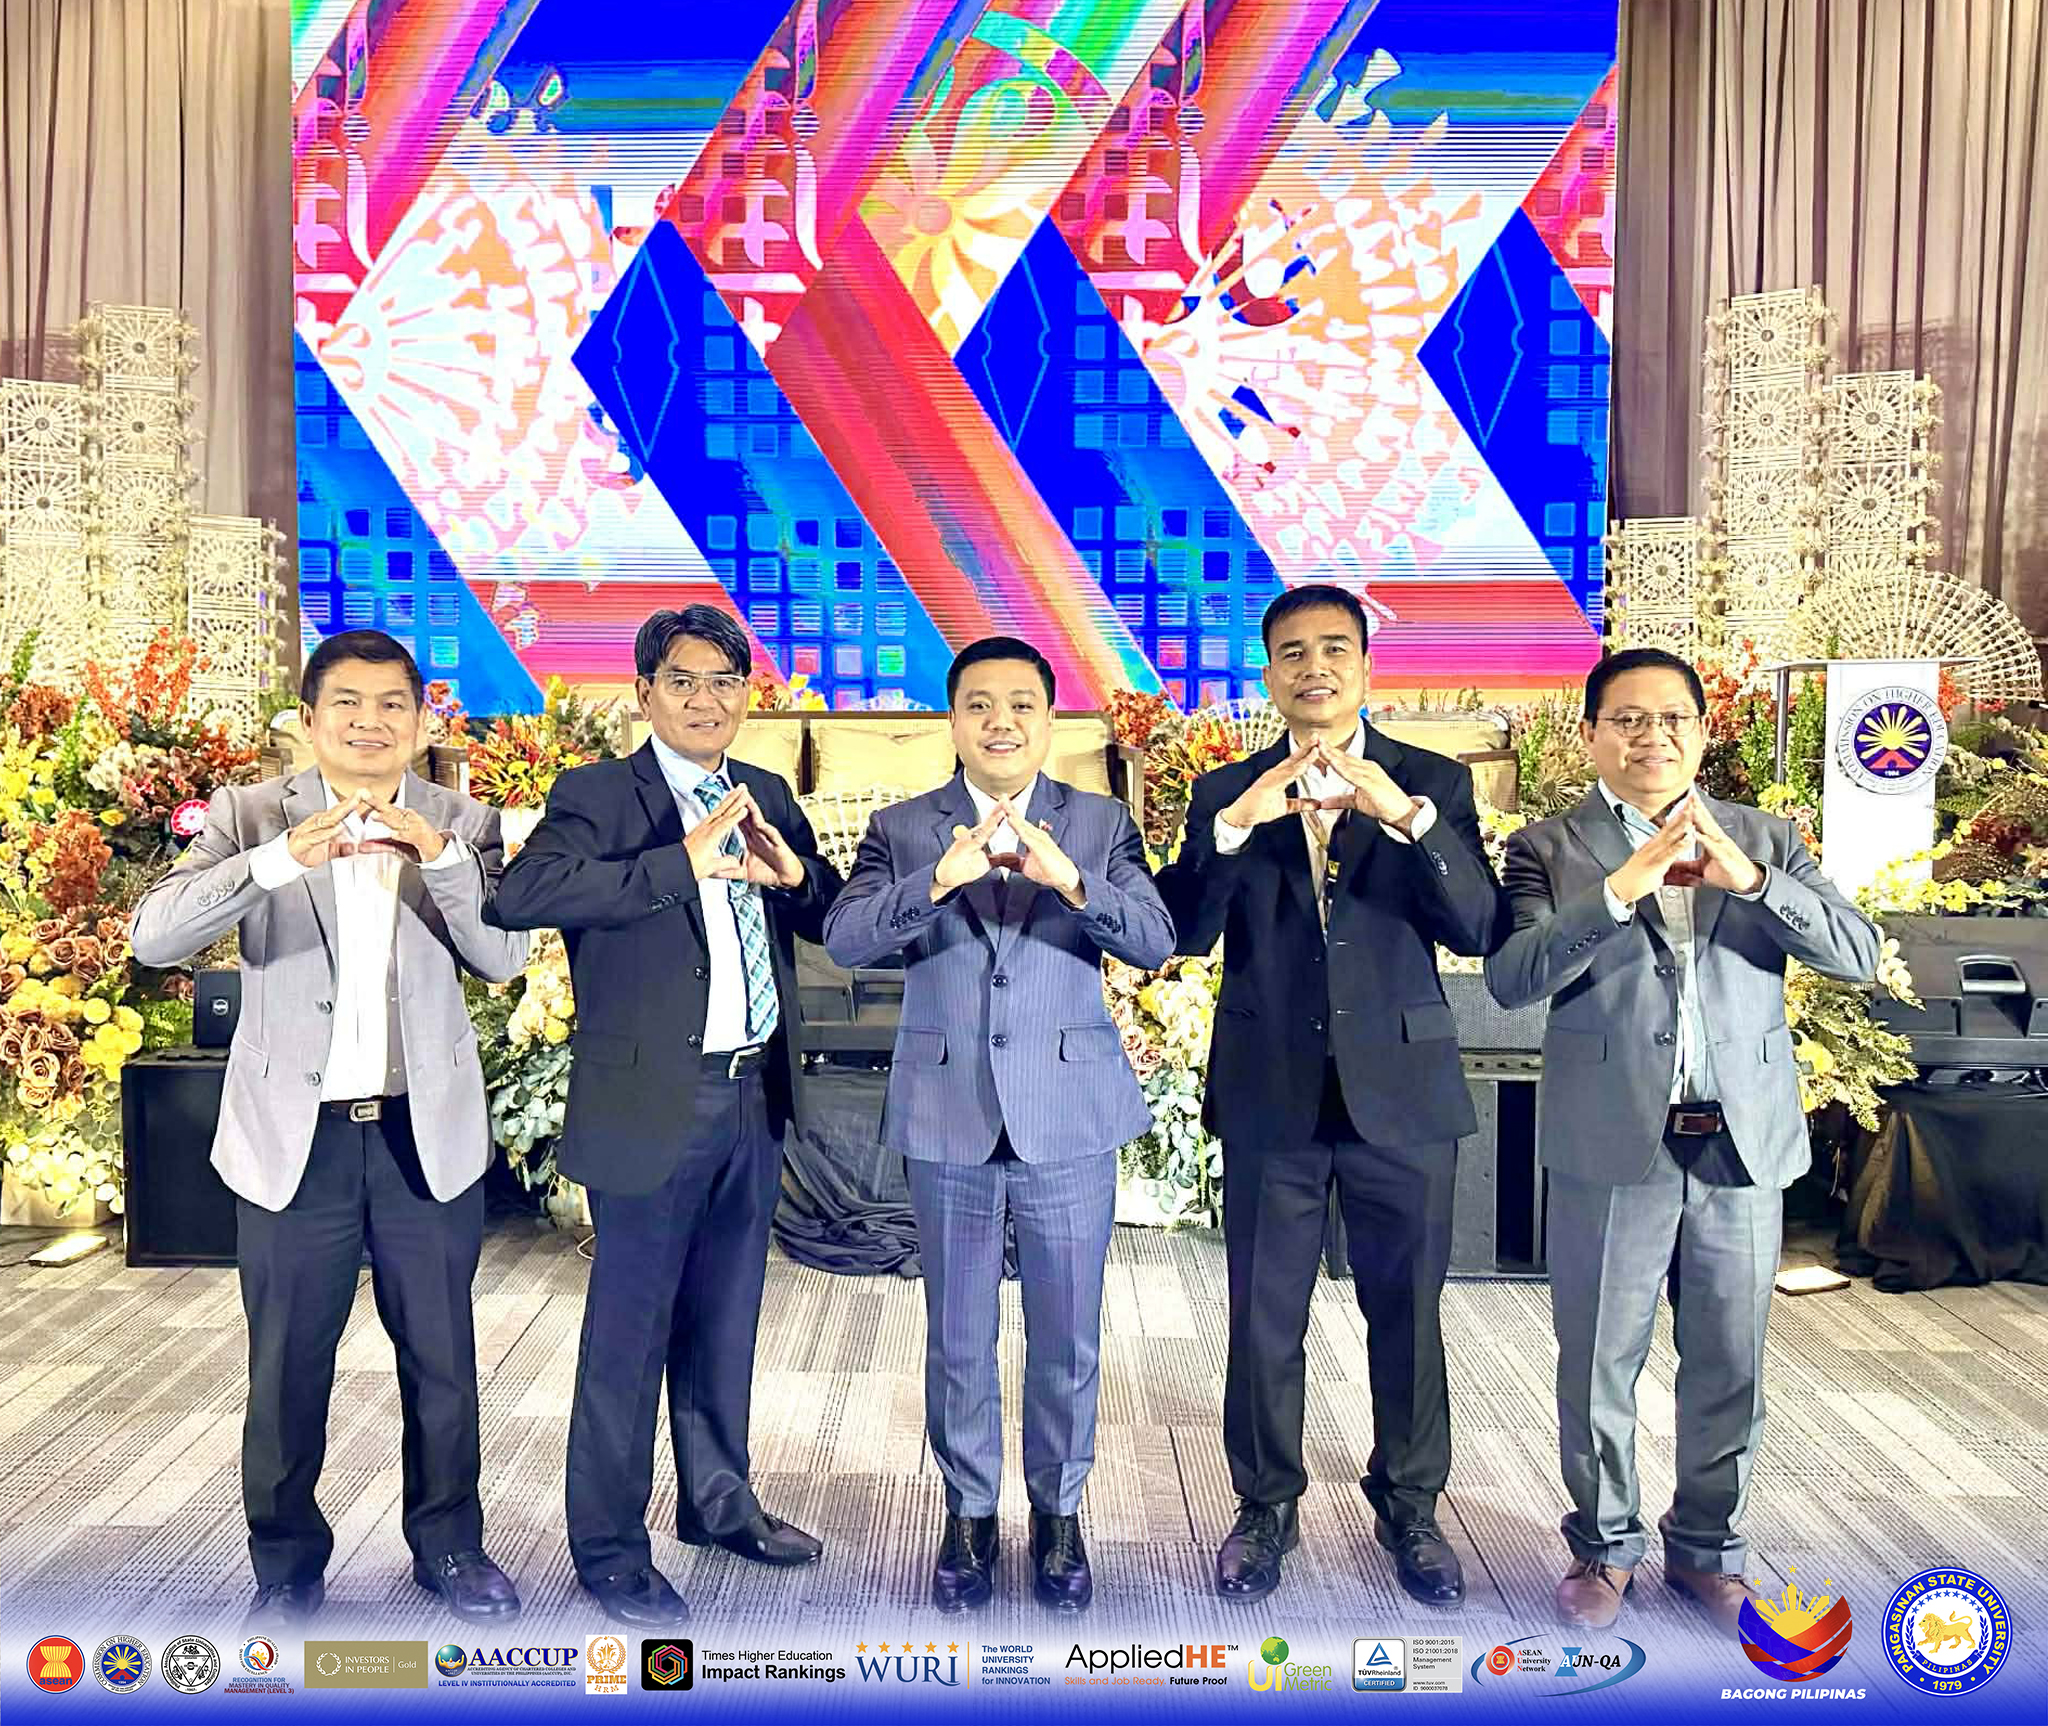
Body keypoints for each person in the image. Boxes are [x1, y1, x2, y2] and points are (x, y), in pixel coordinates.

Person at [130, 629, 529, 1631]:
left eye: (392, 703)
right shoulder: (248, 814)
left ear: (421, 721)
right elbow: (155, 936)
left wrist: (441, 860)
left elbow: (504, 958)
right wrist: (277, 861)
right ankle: (286, 1566)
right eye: (346, 702)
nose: (369, 721)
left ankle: (450, 1545)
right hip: (293, 1139)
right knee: (287, 1367)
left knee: (442, 1361)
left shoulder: (462, 821)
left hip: (419, 1136)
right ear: (308, 721)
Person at [1484, 647, 1879, 1634]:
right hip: (1613, 1139)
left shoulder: (1765, 838)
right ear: (1590, 734)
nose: (1650, 736)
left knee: (1730, 1361)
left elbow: (1857, 953)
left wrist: (1752, 881)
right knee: (1596, 1361)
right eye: (1626, 719)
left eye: (1672, 719)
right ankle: (1603, 1546)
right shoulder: (1547, 847)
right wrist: (1622, 886)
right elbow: (1513, 977)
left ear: (1701, 734)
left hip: (1738, 1141)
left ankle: (1707, 1548)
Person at [487, 605, 842, 1629]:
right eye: (683, 680)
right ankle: (608, 1547)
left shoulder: (764, 791)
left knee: (725, 1316)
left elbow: (820, 910)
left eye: (725, 681)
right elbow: (524, 894)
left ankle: (719, 1502)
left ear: (747, 694)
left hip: (752, 1093)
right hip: (653, 1100)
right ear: (643, 694)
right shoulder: (599, 794)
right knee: (628, 1334)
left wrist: (795, 875)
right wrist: (680, 862)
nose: (705, 700)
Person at [1155, 584, 1502, 1608]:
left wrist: (1403, 818)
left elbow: (1476, 926)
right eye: (1294, 651)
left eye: (1335, 648)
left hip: (1401, 1090)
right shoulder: (1228, 788)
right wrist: (1235, 827)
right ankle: (1265, 1505)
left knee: (1408, 1313)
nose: (1315, 667)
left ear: (1364, 667)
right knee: (1264, 1317)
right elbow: (1182, 931)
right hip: (1272, 1092)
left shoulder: (1429, 779)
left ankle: (1411, 1504)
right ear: (1268, 673)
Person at [822, 637, 1174, 1614]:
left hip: (1068, 1110)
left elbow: (1155, 941)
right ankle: (968, 1515)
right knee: (958, 1337)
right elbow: (845, 939)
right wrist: (937, 879)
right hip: (950, 1113)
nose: (1001, 721)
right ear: (953, 721)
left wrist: (1073, 881)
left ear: (1049, 720)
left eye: (1021, 703)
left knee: (1067, 1336)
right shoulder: (902, 826)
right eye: (979, 703)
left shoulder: (1099, 822)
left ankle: (1059, 1515)